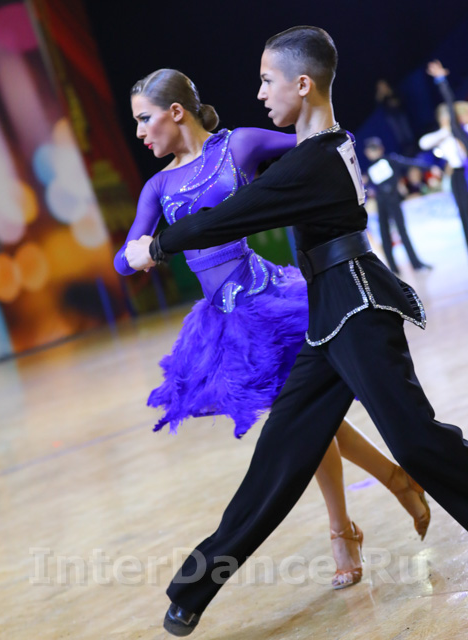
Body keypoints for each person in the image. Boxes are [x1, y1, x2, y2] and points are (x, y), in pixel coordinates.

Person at [127, 27, 468, 636]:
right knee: (279, 460)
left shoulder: (317, 159)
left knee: (416, 441)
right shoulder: (322, 149)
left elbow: (233, 215)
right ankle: (193, 587)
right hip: (325, 313)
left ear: (302, 84)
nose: (259, 93)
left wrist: (157, 245)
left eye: (267, 80)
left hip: (357, 308)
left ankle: (391, 491)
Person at [363, 136, 433, 274]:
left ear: (381, 148)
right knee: (385, 234)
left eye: (375, 149)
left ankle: (416, 264)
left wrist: (430, 166)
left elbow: (410, 163)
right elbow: (369, 186)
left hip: (393, 201)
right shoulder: (370, 170)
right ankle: (392, 268)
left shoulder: (391, 160)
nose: (374, 152)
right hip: (381, 203)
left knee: (402, 232)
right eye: (371, 150)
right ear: (367, 153)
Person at [420, 60, 468, 251]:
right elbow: (424, 143)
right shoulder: (454, 132)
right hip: (461, 175)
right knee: (465, 213)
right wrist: (441, 81)